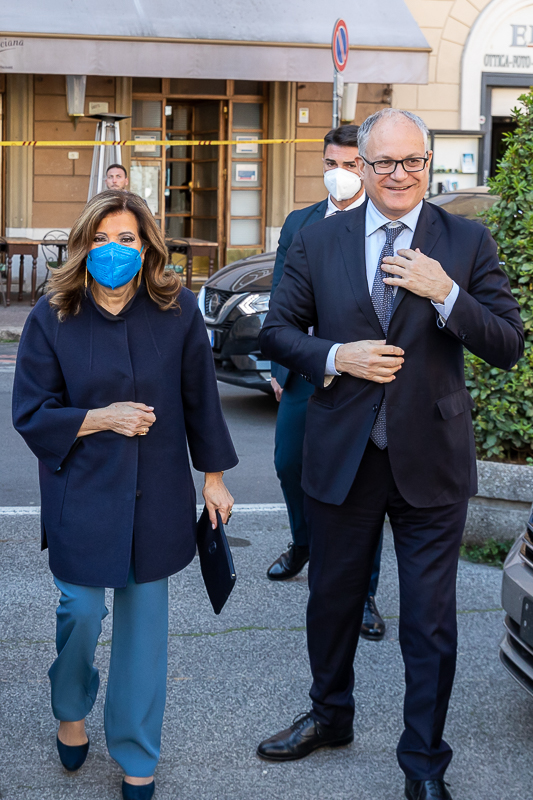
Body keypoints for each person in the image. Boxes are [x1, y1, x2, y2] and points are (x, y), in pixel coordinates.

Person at [257, 109, 523, 800]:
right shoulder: (320, 238)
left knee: (429, 621)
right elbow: (277, 332)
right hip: (342, 453)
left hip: (431, 457)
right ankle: (329, 715)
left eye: (412, 161)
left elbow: (506, 344)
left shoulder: (465, 240)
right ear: (363, 166)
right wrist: (334, 356)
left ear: (428, 164)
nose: (399, 174)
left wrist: (446, 293)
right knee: (332, 600)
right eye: (383, 162)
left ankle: (424, 761)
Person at [12, 190, 238, 800]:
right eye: (101, 238)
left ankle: (138, 754)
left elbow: (201, 397)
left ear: (147, 247)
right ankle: (70, 706)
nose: (113, 249)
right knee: (80, 612)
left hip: (156, 491)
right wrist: (100, 418)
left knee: (144, 633)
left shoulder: (177, 308)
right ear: (83, 245)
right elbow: (30, 411)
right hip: (80, 489)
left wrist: (214, 476)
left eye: (127, 239)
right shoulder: (54, 314)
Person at [267, 124, 386, 641]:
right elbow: (280, 300)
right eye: (331, 164)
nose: (340, 174)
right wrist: (277, 370)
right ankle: (304, 543)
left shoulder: (381, 222)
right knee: (288, 463)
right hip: (305, 371)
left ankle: (364, 592)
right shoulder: (300, 223)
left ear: (366, 166)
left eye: (351, 165)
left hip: (362, 379)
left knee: (362, 486)